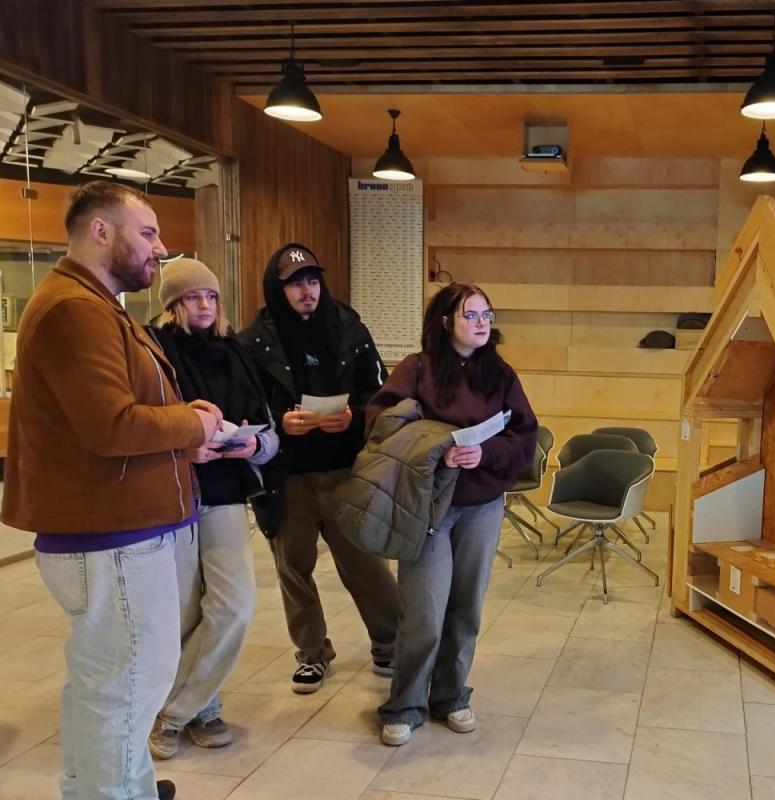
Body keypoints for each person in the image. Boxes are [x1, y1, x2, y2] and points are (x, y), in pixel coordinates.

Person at [0, 180, 217, 800]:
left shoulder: (89, 304)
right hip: (109, 533)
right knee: (128, 680)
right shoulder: (75, 309)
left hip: (110, 526)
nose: (160, 247)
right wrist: (194, 424)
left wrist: (183, 438)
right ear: (101, 231)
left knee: (101, 674)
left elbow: (114, 418)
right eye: (147, 232)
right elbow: (112, 426)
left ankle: (91, 798)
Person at [367, 283, 537, 746]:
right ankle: (405, 704)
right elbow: (381, 422)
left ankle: (450, 695)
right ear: (446, 322)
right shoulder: (416, 368)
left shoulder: (500, 374)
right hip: (428, 505)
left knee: (466, 607)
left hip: (482, 506)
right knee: (423, 610)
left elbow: (524, 436)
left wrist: (485, 453)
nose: (482, 324)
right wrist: (437, 448)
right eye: (471, 315)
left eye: (487, 315)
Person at [239, 243, 401, 694]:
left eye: (312, 281)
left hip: (345, 469)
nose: (306, 291)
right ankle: (312, 653)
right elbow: (245, 405)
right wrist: (279, 421)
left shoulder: (349, 328)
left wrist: (355, 416)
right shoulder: (254, 342)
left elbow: (380, 393)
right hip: (287, 475)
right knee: (293, 566)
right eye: (295, 284)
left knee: (366, 563)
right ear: (278, 289)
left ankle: (390, 642)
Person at [146, 258, 280, 759]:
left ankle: (172, 712)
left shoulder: (235, 351)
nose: (204, 305)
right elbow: (141, 425)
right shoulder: (153, 350)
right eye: (192, 297)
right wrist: (185, 448)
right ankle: (203, 708)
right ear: (172, 304)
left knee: (234, 606)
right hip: (172, 496)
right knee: (183, 613)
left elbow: (269, 430)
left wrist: (255, 445)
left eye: (211, 296)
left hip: (225, 492)